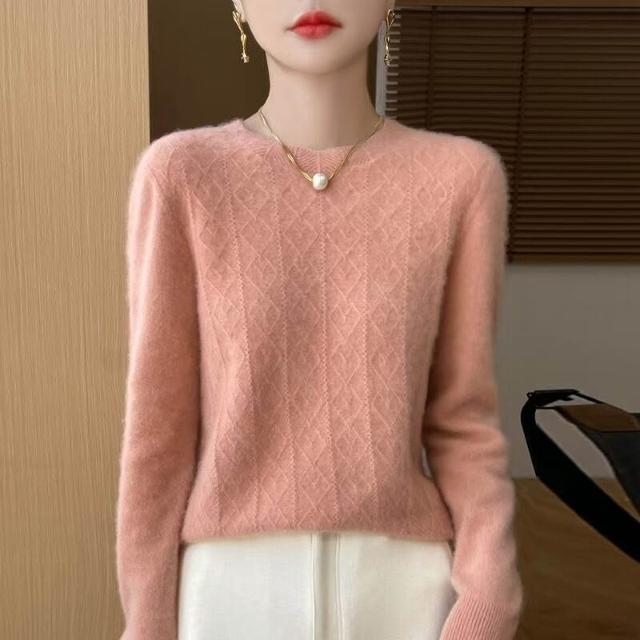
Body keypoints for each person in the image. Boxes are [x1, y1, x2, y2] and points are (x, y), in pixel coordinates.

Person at [115, 1, 525, 639]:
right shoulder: (183, 174)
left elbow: (461, 419)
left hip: (407, 592)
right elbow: (158, 429)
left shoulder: (460, 177)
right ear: (239, 4)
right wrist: (147, 623)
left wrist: (490, 599)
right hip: (228, 595)